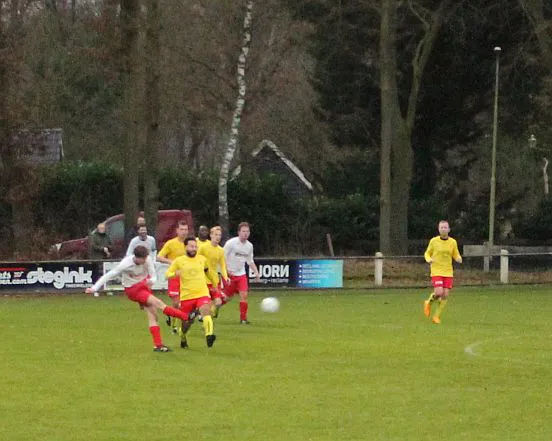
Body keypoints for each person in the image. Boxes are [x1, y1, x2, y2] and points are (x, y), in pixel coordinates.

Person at [85, 245, 190, 352]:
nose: (145, 260)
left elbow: (153, 276)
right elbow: (109, 275)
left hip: (144, 286)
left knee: (153, 316)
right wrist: (94, 288)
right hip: (133, 290)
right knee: (159, 303)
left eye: (145, 258)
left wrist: (151, 281)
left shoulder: (147, 259)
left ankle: (158, 345)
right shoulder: (126, 264)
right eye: (143, 259)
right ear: (136, 257)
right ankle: (185, 316)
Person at [166, 237, 216, 349]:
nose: (194, 249)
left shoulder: (202, 259)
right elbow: (167, 274)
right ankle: (183, 337)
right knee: (186, 323)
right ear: (185, 247)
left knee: (206, 311)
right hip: (187, 297)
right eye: (191, 246)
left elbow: (208, 272)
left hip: (202, 293)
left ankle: (209, 335)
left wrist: (214, 284)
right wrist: (175, 274)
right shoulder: (179, 261)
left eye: (195, 247)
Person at [423, 220, 462, 324]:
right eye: (441, 227)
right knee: (439, 292)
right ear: (438, 229)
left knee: (445, 295)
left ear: (449, 230)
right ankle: (428, 302)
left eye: (445, 227)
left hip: (448, 271)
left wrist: (458, 258)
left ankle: (436, 316)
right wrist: (429, 259)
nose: (443, 229)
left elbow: (455, 253)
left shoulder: (453, 242)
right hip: (436, 270)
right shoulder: (434, 241)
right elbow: (427, 253)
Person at [223, 222, 260, 324]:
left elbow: (250, 261)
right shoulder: (231, 243)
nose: (245, 233)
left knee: (244, 295)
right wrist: (225, 270)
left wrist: (256, 272)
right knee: (226, 298)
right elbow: (222, 257)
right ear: (238, 232)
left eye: (247, 231)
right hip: (230, 274)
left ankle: (243, 319)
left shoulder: (249, 246)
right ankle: (215, 308)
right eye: (243, 231)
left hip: (241, 274)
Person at [157, 220, 188, 333]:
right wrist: (171, 262)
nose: (184, 232)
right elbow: (159, 257)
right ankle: (174, 323)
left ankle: (178, 325)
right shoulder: (171, 243)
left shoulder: (191, 244)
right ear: (177, 231)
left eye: (186, 229)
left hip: (187, 277)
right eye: (181, 229)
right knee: (176, 303)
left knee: (184, 303)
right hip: (174, 276)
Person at [198, 226, 229, 318]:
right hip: (203, 279)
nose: (218, 237)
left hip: (214, 280)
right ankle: (204, 317)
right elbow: (196, 259)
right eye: (216, 235)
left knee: (218, 302)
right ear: (211, 235)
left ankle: (207, 315)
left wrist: (225, 277)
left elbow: (222, 265)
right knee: (206, 302)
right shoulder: (203, 248)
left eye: (219, 235)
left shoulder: (221, 250)